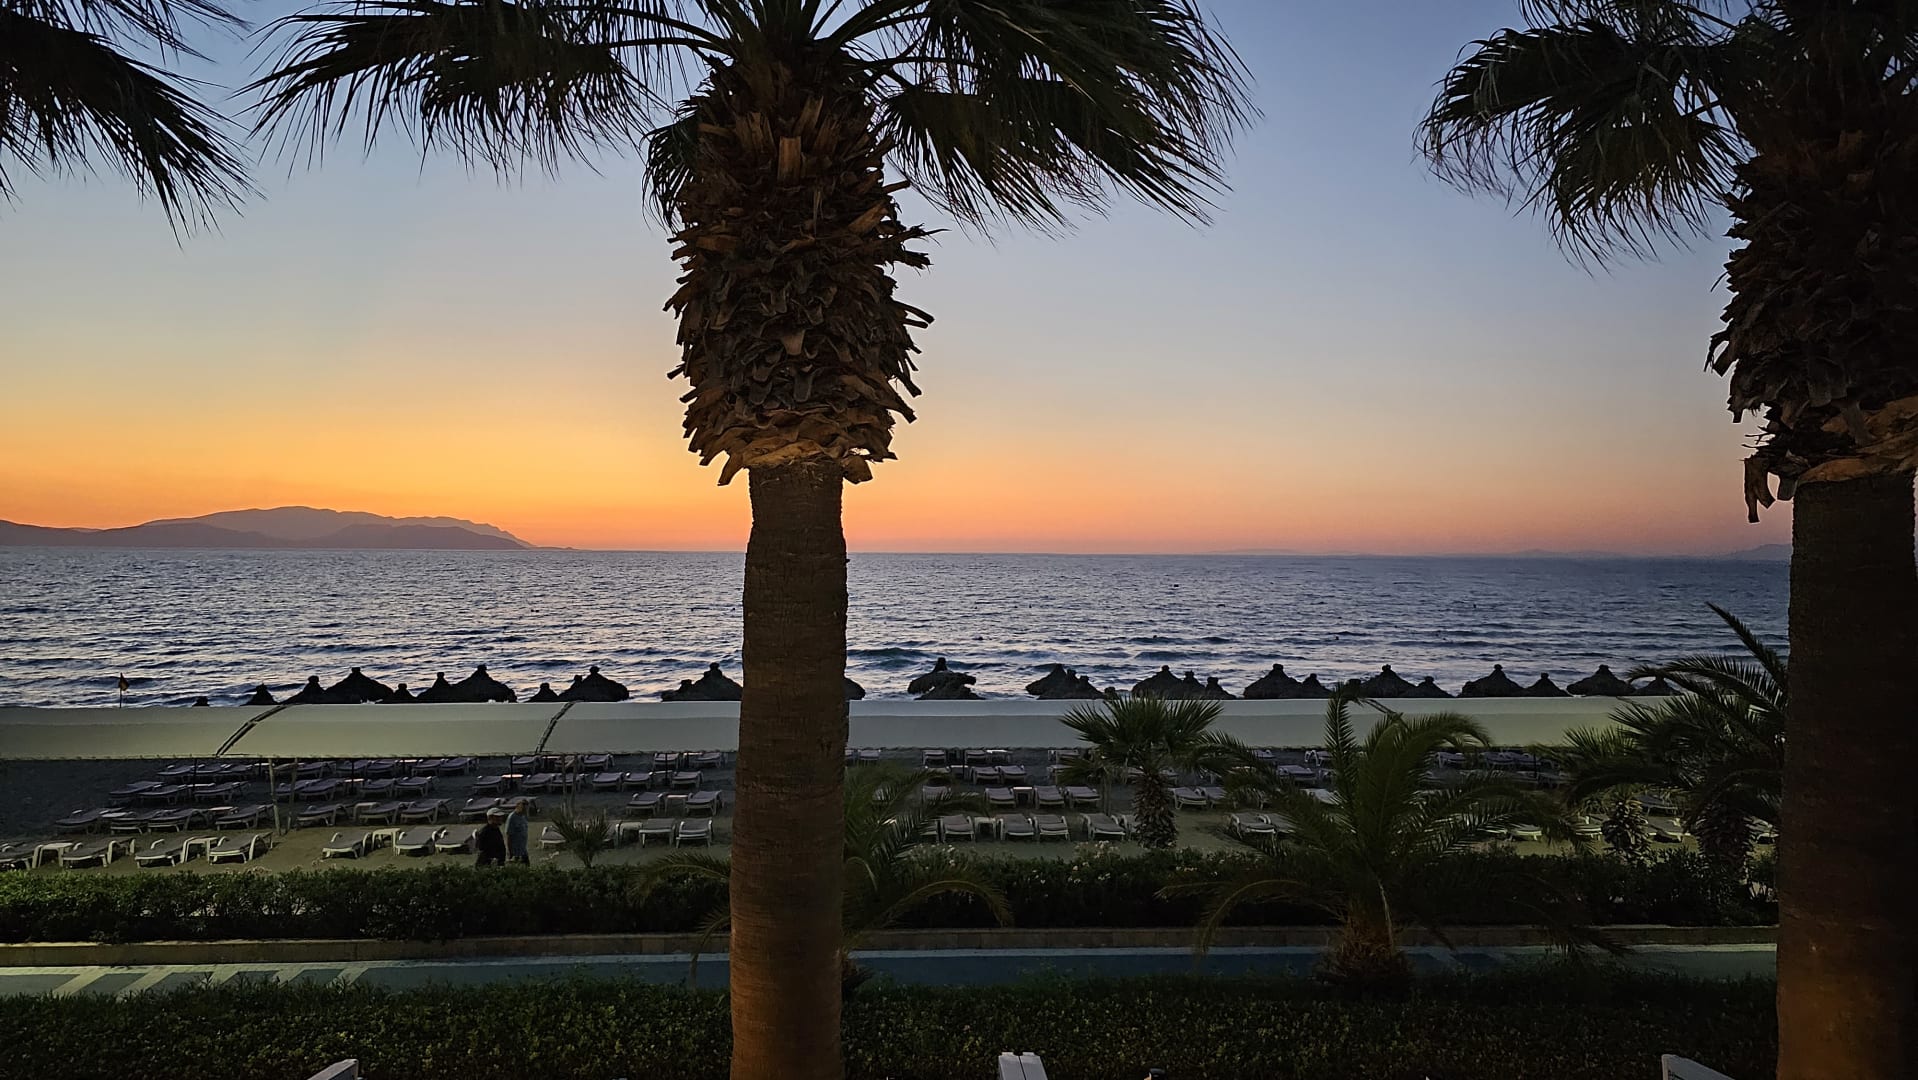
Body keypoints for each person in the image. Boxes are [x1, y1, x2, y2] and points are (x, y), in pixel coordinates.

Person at [504, 798, 530, 865]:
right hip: (515, 851)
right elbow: (508, 835)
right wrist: (510, 851)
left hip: (523, 850)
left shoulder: (523, 817)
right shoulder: (512, 817)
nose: (525, 811)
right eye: (523, 809)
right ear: (518, 807)